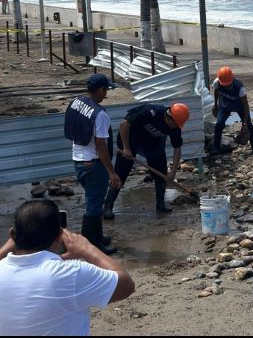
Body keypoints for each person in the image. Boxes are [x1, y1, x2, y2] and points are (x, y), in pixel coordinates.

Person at [0, 199, 135, 336]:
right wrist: (87, 249)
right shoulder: (69, 274)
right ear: (59, 236)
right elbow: (126, 285)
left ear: (12, 235)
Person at [64, 74, 122, 255]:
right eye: (106, 90)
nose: (106, 94)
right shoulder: (100, 115)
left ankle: (96, 236)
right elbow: (100, 144)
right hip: (93, 164)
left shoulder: (77, 102)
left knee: (93, 200)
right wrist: (111, 172)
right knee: (94, 204)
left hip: (78, 160)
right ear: (100, 90)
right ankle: (91, 246)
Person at [102, 102, 189, 219]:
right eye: (176, 124)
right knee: (121, 173)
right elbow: (124, 125)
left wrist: (173, 173)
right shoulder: (150, 112)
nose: (176, 127)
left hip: (153, 143)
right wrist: (126, 148)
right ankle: (108, 206)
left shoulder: (175, 128)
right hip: (131, 139)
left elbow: (177, 149)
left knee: (161, 173)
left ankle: (161, 205)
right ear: (169, 118)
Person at [210, 66, 253, 155]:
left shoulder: (240, 88)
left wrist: (244, 123)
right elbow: (216, 92)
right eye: (225, 85)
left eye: (228, 84)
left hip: (239, 106)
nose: (227, 86)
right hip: (225, 105)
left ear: (232, 79)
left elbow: (245, 106)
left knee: (249, 125)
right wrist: (215, 105)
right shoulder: (217, 83)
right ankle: (216, 148)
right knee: (218, 125)